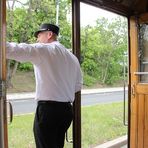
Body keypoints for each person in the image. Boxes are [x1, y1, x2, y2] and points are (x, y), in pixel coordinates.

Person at [6, 23, 82, 148]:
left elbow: (14, 49)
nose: (37, 39)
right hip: (66, 112)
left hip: (48, 112)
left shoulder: (45, 50)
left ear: (49, 34)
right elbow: (77, 86)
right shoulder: (72, 58)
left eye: (39, 35)